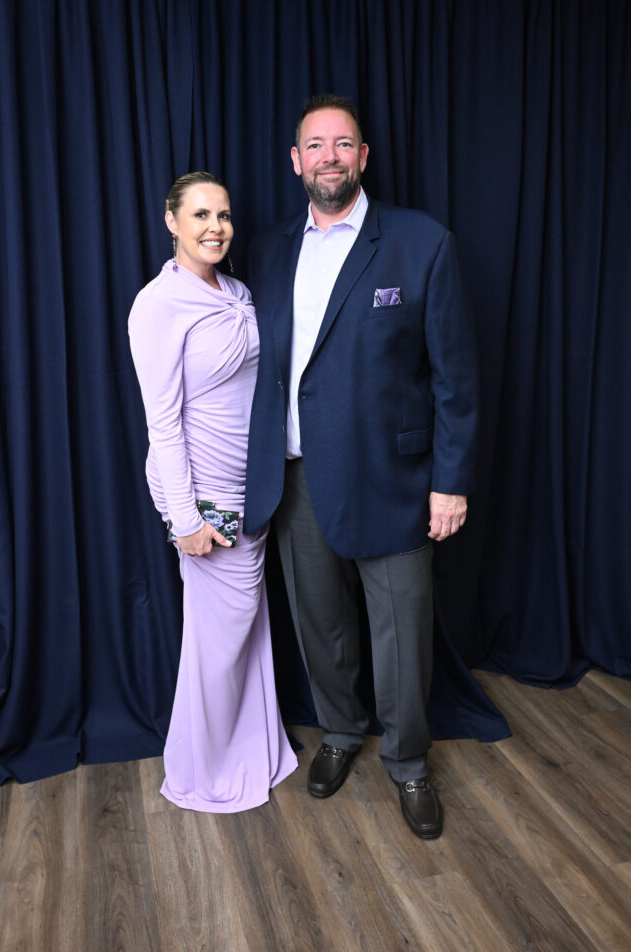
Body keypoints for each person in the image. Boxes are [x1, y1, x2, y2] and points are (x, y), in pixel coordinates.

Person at [243, 96, 479, 839]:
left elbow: (456, 380)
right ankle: (340, 734)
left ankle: (407, 763)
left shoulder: (419, 242)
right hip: (298, 476)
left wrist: (450, 480)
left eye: (343, 144)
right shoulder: (270, 249)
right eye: (315, 145)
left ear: (363, 157)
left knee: (400, 631)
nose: (329, 157)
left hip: (394, 479)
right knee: (321, 622)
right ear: (295, 161)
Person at [128, 171, 297, 813]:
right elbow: (162, 424)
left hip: (249, 482)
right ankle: (204, 769)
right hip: (201, 493)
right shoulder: (157, 306)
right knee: (220, 638)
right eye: (200, 215)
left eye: (223, 215)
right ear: (172, 221)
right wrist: (183, 519)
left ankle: (251, 751)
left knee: (245, 630)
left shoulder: (239, 290)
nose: (215, 228)